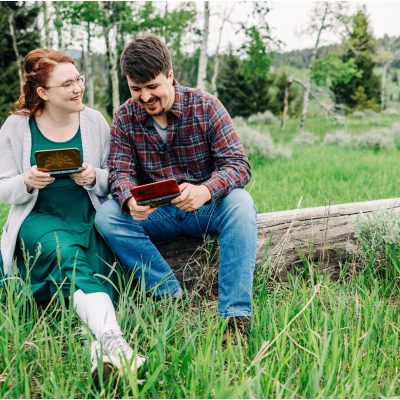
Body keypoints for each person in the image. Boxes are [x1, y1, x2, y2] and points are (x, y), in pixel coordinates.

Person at [95, 34, 258, 337]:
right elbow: (119, 171)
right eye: (136, 89)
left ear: (170, 76)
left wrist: (205, 190)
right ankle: (167, 295)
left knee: (241, 203)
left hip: (206, 208)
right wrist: (129, 198)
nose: (145, 97)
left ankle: (235, 318)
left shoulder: (207, 107)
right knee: (107, 216)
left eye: (153, 87)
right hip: (159, 214)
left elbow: (238, 165)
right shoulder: (125, 117)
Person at [0, 48, 145, 376]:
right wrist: (26, 181)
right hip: (39, 219)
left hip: (88, 217)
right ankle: (116, 341)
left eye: (77, 79)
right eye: (66, 84)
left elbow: (118, 177)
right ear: (43, 93)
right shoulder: (16, 127)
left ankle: (101, 354)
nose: (77, 88)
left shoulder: (93, 121)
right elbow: (2, 186)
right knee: (65, 255)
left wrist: (95, 177)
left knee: (91, 275)